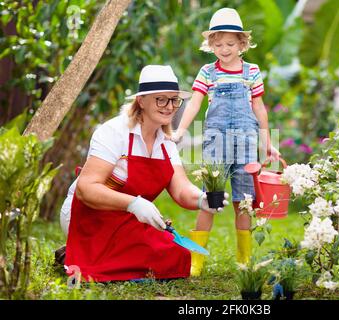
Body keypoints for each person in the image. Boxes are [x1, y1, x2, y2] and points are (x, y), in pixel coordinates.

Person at [60, 65, 229, 282]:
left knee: (176, 257)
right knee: (133, 260)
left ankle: (105, 254)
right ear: (141, 101)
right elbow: (86, 189)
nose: (170, 107)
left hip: (127, 220)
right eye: (161, 99)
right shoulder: (114, 131)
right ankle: (74, 252)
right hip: (86, 214)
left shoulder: (166, 144)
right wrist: (134, 204)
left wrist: (202, 199)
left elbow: (181, 190)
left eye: (174, 100)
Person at [171, 8, 281, 276]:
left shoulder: (251, 71)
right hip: (216, 141)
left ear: (242, 43)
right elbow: (195, 103)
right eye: (218, 44)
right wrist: (180, 132)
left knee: (243, 201)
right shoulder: (207, 72)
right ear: (211, 44)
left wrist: (267, 142)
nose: (224, 49)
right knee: (211, 198)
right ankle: (196, 262)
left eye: (230, 44)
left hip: (246, 142)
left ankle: (244, 261)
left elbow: (259, 107)